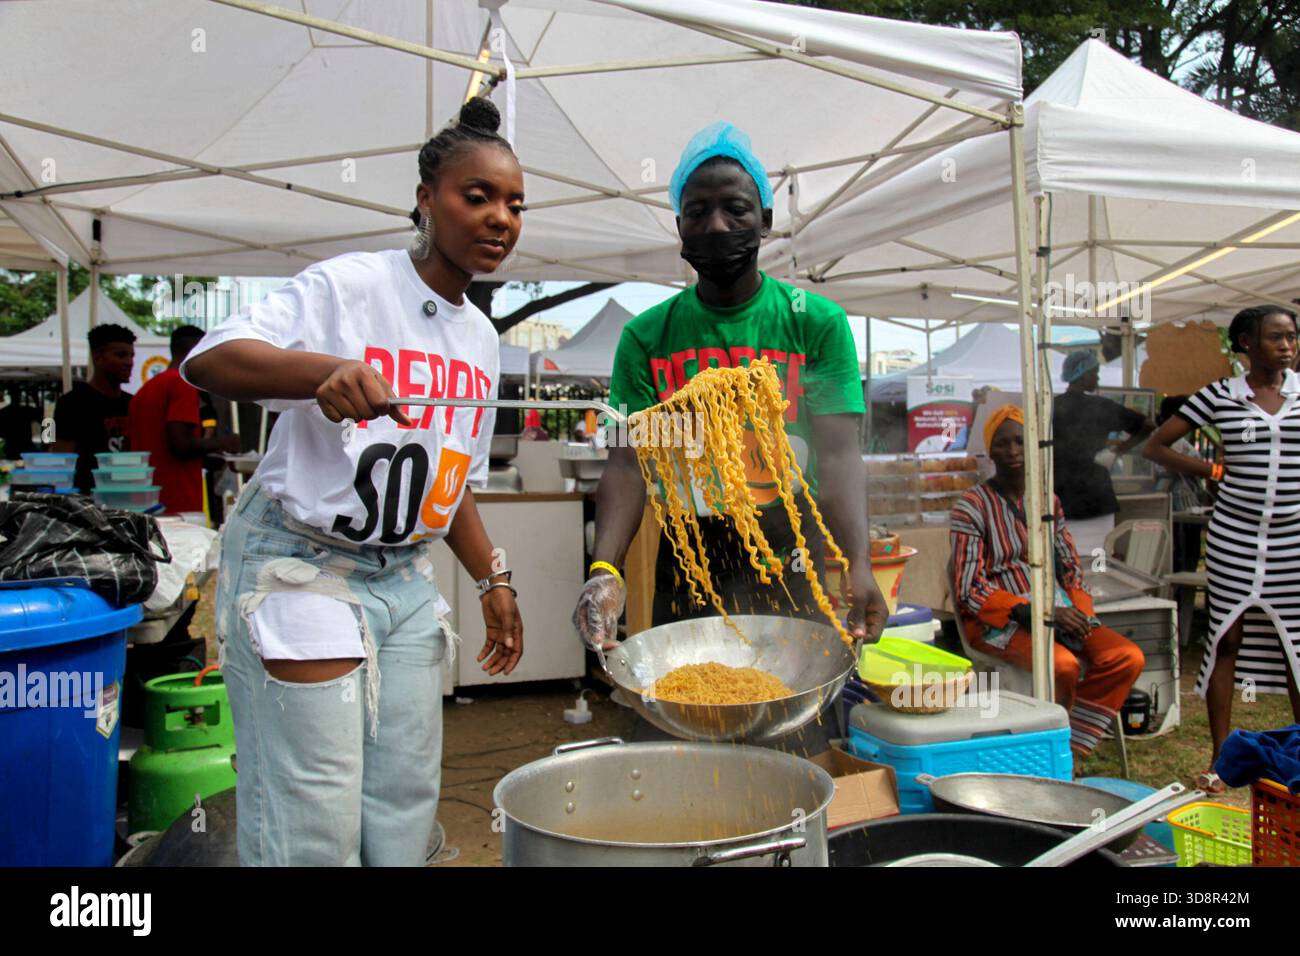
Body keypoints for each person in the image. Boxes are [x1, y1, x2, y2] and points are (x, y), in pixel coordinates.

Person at [180, 97, 524, 866]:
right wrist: (322, 373)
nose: (500, 217)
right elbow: (210, 359)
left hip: (403, 579)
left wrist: (492, 577)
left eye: (514, 204)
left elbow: (450, 472)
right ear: (425, 200)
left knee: (402, 809)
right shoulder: (351, 286)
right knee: (316, 820)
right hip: (302, 567)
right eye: (478, 197)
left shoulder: (480, 337)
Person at [572, 122, 889, 751]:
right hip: (690, 554)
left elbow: (838, 452)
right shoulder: (649, 337)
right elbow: (628, 465)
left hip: (786, 547)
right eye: (698, 212)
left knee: (793, 734)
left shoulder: (813, 323)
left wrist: (856, 562)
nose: (717, 226)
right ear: (680, 228)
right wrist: (605, 567)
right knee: (685, 732)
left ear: (765, 219)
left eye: (735, 209)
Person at [1144, 305, 1300, 794]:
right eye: (1276, 338)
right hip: (1234, 534)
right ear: (1246, 345)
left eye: (1292, 338)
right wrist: (1213, 471)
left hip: (1293, 536)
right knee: (1225, 638)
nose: (1287, 346)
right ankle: (1221, 759)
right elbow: (1157, 446)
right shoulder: (1219, 396)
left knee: (1294, 645)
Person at [951, 405, 1145, 756]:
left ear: (1033, 447)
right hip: (999, 621)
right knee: (1063, 665)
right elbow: (969, 588)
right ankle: (1054, 750)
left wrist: (1079, 613)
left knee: (1126, 656)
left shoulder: (1047, 501)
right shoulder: (972, 505)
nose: (1012, 451)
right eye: (1002, 443)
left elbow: (1071, 568)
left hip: (1060, 611)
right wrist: (1033, 612)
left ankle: (1070, 745)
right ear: (990, 450)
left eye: (1020, 442)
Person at [1052, 348, 1155, 559]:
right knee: (1100, 558)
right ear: (1082, 374)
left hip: (1060, 497)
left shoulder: (1052, 407)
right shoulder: (1101, 407)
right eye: (1094, 372)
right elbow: (1148, 424)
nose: (1097, 377)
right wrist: (1118, 451)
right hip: (1096, 496)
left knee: (1066, 560)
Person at [126, 325, 241, 514]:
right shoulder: (182, 383)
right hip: (177, 504)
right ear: (198, 349)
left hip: (146, 502)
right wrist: (223, 442)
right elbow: (180, 444)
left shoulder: (146, 389)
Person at [52, 323, 136, 492]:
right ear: (98, 357)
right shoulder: (71, 403)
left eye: (131, 356)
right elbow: (61, 460)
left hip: (128, 497)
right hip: (87, 501)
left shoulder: (133, 403)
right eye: (121, 355)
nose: (129, 362)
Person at [1152, 396, 1209, 573]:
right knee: (1183, 546)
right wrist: (1208, 470)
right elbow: (1171, 466)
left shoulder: (1168, 438)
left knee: (1184, 545)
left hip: (1179, 496)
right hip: (1179, 498)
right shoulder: (1170, 441)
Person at [0, 389, 42, 459]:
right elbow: (40, 417)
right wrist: (36, 399)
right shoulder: (26, 410)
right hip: (25, 446)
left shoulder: (4, 412)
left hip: (12, 448)